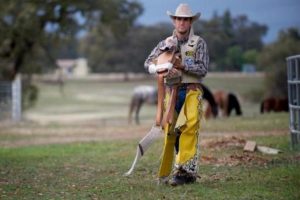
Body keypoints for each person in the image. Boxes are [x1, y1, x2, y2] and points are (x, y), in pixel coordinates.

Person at [144, 3, 209, 186]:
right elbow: (148, 62)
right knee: (171, 131)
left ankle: (183, 172)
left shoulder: (199, 43)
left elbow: (202, 69)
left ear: (190, 22)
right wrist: (159, 67)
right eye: (179, 19)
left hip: (191, 91)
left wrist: (182, 66)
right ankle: (169, 173)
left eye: (185, 19)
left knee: (189, 128)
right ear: (174, 21)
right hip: (171, 92)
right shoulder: (164, 44)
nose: (181, 22)